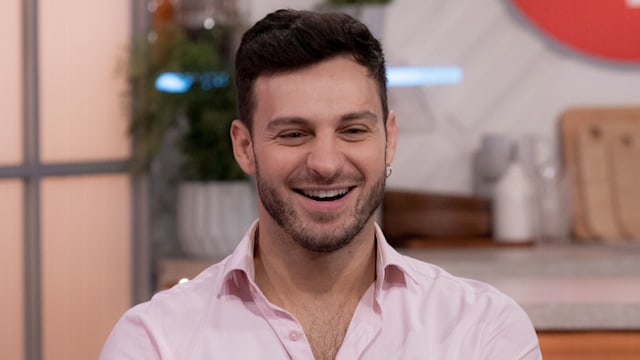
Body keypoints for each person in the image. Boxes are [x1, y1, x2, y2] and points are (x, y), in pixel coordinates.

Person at [101, 9, 541, 359]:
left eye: (353, 130)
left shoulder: (484, 332)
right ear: (245, 147)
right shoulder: (156, 343)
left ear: (389, 139)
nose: (326, 164)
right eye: (293, 133)